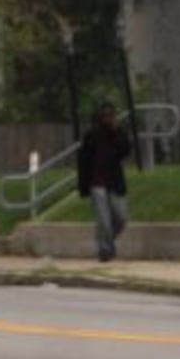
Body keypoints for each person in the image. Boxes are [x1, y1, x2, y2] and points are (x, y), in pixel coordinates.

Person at [76, 101, 132, 262]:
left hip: (114, 182)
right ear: (100, 118)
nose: (109, 119)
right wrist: (83, 185)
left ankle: (106, 242)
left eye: (111, 116)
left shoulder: (119, 133)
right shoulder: (92, 136)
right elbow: (84, 161)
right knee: (104, 221)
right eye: (106, 116)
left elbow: (125, 150)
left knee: (121, 218)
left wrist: (116, 133)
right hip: (97, 183)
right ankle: (105, 250)